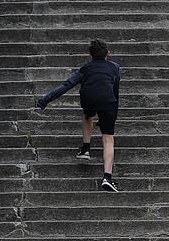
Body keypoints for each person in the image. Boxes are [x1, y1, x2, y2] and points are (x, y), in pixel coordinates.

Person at [36, 39, 120, 192]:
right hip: (108, 102)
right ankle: (107, 177)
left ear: (90, 55)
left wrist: (45, 100)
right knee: (108, 138)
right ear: (108, 53)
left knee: (87, 115)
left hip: (88, 99)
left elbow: (66, 85)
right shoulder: (115, 68)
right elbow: (115, 91)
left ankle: (86, 149)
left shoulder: (85, 68)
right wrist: (113, 114)